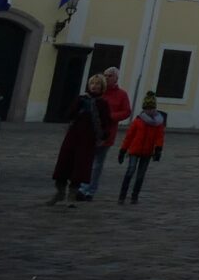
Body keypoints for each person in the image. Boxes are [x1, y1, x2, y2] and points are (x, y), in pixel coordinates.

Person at [48, 75, 105, 205]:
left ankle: (72, 195)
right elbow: (69, 114)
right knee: (64, 164)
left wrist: (103, 136)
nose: (94, 86)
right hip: (73, 136)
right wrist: (77, 106)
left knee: (79, 168)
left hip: (88, 140)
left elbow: (105, 121)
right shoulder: (81, 99)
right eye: (92, 84)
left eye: (97, 84)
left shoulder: (102, 103)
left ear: (102, 87)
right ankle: (60, 192)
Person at [80, 66, 129, 199]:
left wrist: (111, 116)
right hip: (90, 131)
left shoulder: (122, 94)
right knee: (86, 160)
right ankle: (81, 187)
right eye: (105, 75)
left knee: (97, 164)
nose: (107, 78)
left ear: (116, 78)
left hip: (107, 133)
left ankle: (90, 190)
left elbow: (126, 111)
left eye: (110, 76)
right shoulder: (98, 91)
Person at [118, 92, 167, 205]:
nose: (150, 111)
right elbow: (129, 137)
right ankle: (122, 195)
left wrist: (158, 149)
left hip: (147, 152)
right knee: (130, 171)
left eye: (152, 108)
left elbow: (159, 137)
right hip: (135, 150)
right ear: (144, 109)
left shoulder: (158, 123)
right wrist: (123, 150)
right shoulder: (138, 121)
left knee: (140, 175)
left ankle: (135, 196)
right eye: (147, 108)